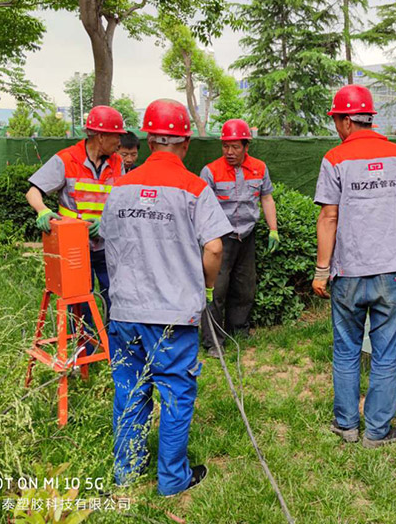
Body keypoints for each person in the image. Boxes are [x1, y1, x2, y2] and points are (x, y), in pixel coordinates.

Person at [100, 99, 233, 496]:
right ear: (185, 142)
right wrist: (207, 287)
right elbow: (214, 248)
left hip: (124, 310)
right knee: (176, 394)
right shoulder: (194, 187)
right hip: (173, 315)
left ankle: (126, 472)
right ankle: (172, 480)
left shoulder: (119, 186)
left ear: (147, 139)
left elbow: (107, 236)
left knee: (128, 391)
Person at [312, 84, 396, 448]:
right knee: (385, 351)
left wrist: (320, 270)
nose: (335, 126)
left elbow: (329, 217)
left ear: (347, 120)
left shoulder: (335, 159)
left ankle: (346, 425)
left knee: (346, 349)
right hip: (394, 273)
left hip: (348, 275)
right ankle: (377, 432)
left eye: (336, 120)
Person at [26, 105, 126, 350]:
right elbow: (33, 191)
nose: (120, 141)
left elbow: (121, 199)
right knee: (80, 300)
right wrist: (43, 211)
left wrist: (105, 222)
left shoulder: (118, 163)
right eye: (117, 136)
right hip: (75, 247)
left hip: (107, 243)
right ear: (100, 137)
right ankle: (85, 352)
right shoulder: (65, 160)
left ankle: (115, 347)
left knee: (117, 294)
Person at [199, 119, 279, 356]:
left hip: (247, 235)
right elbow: (201, 208)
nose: (230, 152)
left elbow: (266, 198)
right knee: (216, 289)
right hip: (219, 239)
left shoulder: (259, 168)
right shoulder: (210, 171)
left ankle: (239, 330)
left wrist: (273, 229)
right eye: (226, 146)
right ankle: (213, 341)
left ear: (246, 146)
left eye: (235, 147)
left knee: (245, 287)